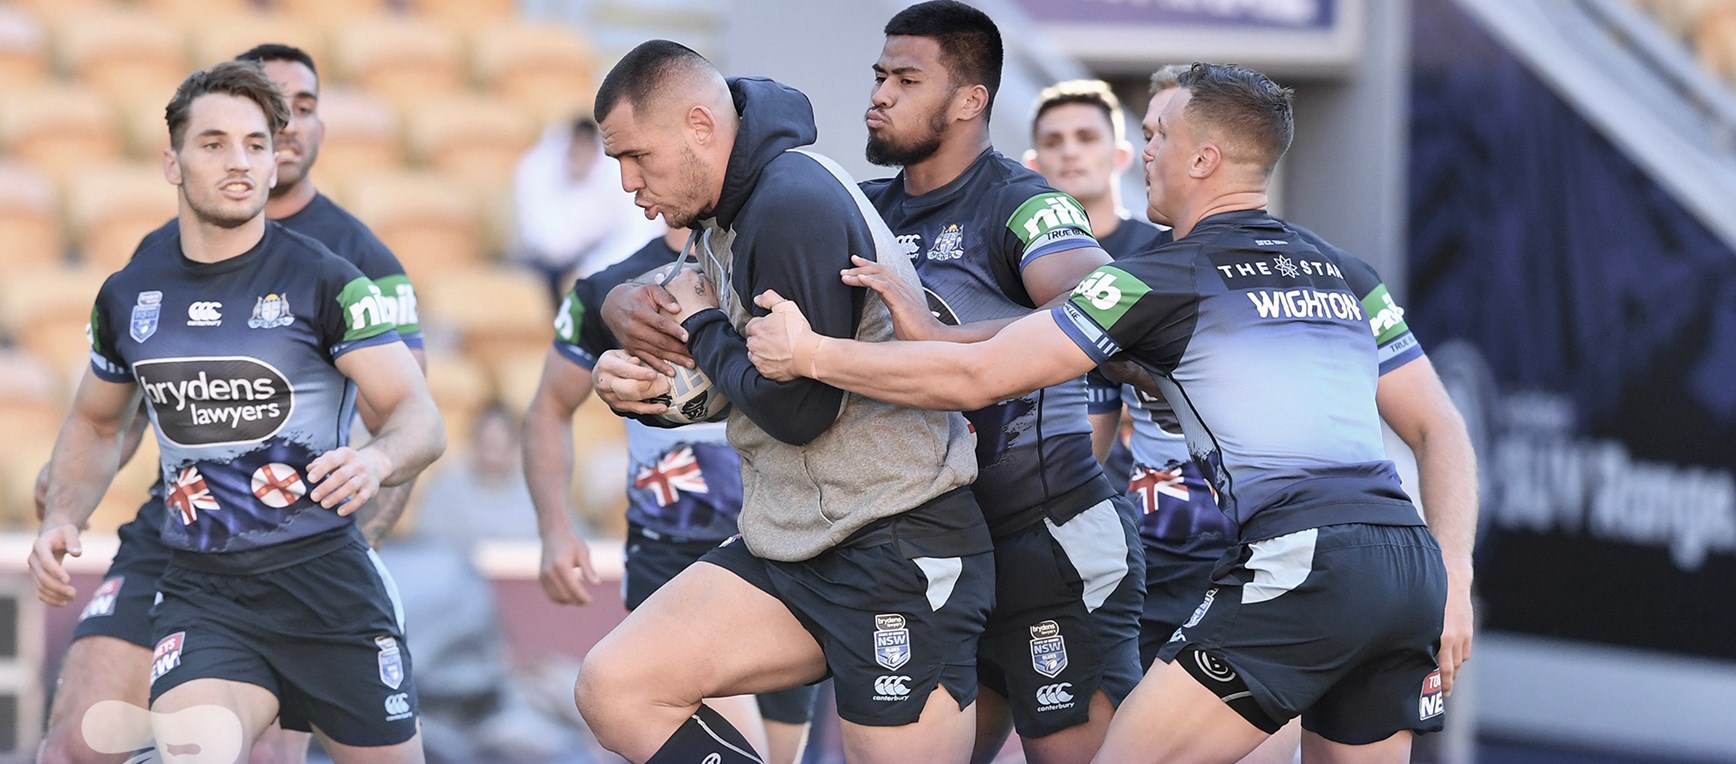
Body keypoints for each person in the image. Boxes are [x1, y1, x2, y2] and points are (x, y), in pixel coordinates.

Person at [743, 62, 1478, 763]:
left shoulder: (1158, 276)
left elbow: (979, 378)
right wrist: (1454, 576)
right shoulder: (1345, 272)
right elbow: (1440, 427)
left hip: (1302, 562)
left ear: (1204, 160)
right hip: (1410, 569)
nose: (1147, 153)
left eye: (1159, 137)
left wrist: (811, 355)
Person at [570, 40, 992, 763]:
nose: (628, 182)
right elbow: (736, 381)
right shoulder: (721, 211)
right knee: (616, 687)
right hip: (791, 542)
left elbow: (800, 412)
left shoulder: (789, 203)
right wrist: (653, 395)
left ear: (701, 126)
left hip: (895, 544)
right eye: (618, 161)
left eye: (637, 156)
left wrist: (703, 325)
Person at [28, 60, 444, 762]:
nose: (240, 162)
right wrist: (63, 516)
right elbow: (98, 422)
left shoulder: (329, 279)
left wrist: (377, 460)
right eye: (214, 143)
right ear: (172, 163)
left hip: (327, 587)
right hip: (203, 589)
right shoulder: (129, 294)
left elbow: (418, 415)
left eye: (255, 145)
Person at [846, 5, 1143, 761]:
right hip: (931, 548)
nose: (880, 94)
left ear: (970, 100)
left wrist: (941, 340)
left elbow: (1105, 305)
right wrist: (628, 307)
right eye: (880, 76)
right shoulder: (861, 211)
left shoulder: (1023, 200)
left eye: (906, 79)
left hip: (1047, 542)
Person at [521, 224, 818, 764]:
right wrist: (555, 529)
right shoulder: (608, 290)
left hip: (780, 541)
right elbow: (549, 407)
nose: (635, 184)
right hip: (671, 552)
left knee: (779, 755)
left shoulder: (775, 261)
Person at [512, 115, 663, 306]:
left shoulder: (615, 175)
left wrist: (589, 268)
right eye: (575, 149)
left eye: (586, 150)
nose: (580, 157)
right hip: (540, 263)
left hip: (594, 259)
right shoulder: (537, 168)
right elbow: (548, 243)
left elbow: (638, 233)